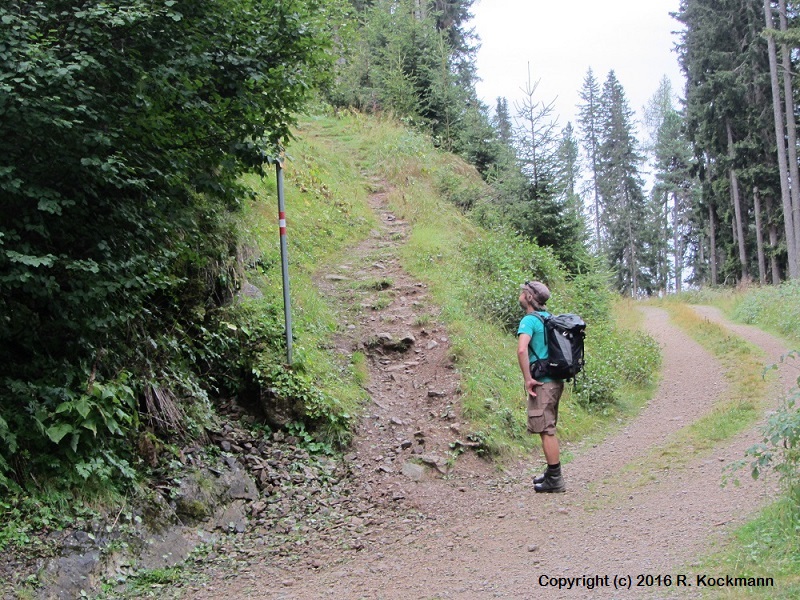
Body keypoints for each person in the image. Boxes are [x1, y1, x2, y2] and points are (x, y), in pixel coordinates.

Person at [516, 280, 566, 493]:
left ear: (529, 297)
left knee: (546, 429)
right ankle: (550, 472)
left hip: (542, 382)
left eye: (522, 292)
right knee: (548, 425)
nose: (520, 294)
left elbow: (521, 350)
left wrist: (528, 378)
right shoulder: (548, 318)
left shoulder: (529, 320)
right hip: (555, 380)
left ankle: (555, 479)